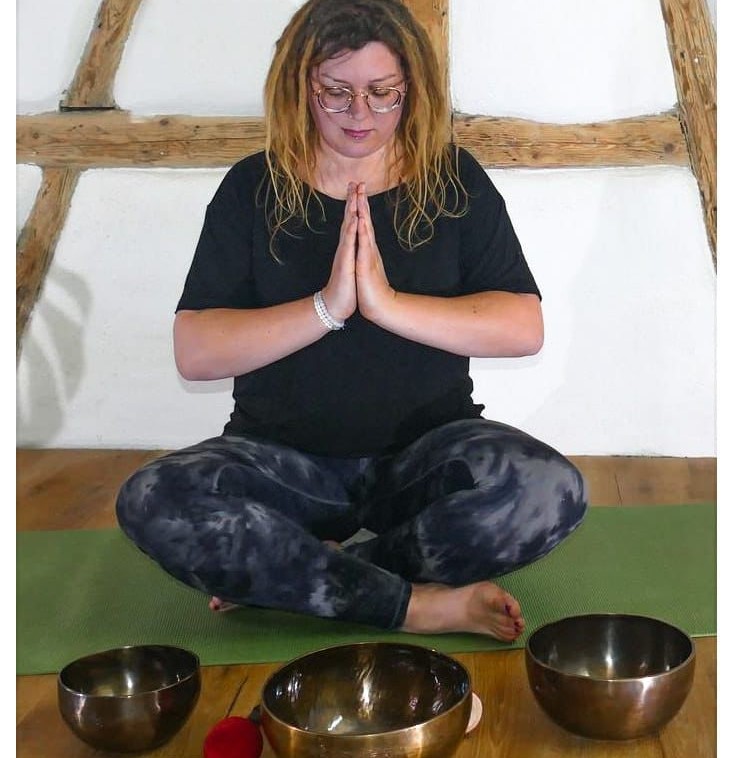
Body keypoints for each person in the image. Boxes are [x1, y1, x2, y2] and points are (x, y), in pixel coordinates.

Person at [116, 0, 587, 642]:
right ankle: (416, 605)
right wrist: (328, 307)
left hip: (421, 459)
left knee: (547, 490)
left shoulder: (454, 180)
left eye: (382, 93)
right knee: (154, 499)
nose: (360, 115)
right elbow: (195, 351)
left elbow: (522, 326)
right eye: (335, 93)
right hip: (286, 463)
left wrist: (385, 304)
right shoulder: (252, 187)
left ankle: (310, 576)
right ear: (299, 88)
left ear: (411, 88)